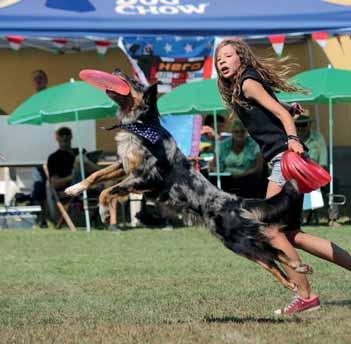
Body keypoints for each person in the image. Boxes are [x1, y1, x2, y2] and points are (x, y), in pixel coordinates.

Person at [215, 39, 351, 315]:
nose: (222, 62)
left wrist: (291, 137)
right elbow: (276, 111)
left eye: (228, 56)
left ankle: (306, 296)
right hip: (284, 159)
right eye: (219, 59)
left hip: (284, 159)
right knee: (291, 234)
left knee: (272, 231)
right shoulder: (244, 86)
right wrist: (289, 109)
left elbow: (278, 115)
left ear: (241, 58)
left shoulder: (247, 83)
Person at [295, 113, 328, 225]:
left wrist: (314, 174)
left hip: (315, 173)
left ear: (309, 125)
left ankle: (309, 215)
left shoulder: (318, 138)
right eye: (297, 125)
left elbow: (323, 162)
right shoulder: (291, 139)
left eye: (303, 124)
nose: (300, 128)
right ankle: (300, 216)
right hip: (295, 174)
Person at [221, 119, 264, 198]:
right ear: (232, 133)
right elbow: (213, 166)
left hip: (248, 179)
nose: (240, 134)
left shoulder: (254, 145)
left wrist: (245, 173)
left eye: (242, 131)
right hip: (227, 180)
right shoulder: (223, 145)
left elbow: (259, 167)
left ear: (247, 132)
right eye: (236, 132)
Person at [31, 70, 49, 227]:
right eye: (35, 79)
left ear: (46, 81)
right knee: (39, 187)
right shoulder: (32, 101)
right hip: (36, 150)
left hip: (51, 149)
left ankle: (52, 217)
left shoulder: (50, 98)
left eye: (40, 78)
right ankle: (41, 218)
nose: (38, 81)